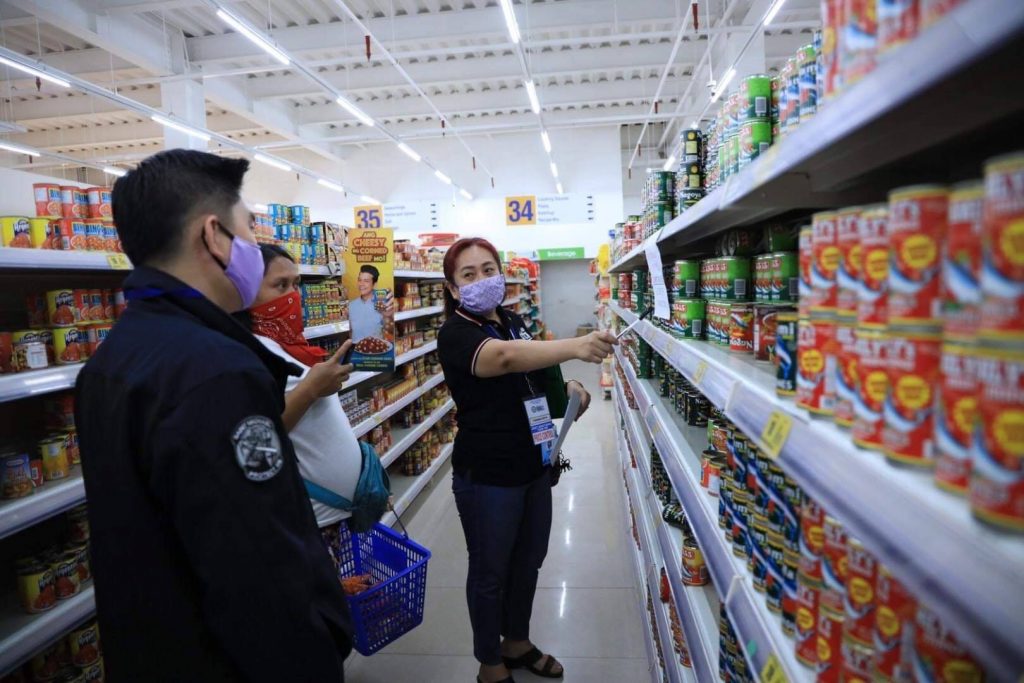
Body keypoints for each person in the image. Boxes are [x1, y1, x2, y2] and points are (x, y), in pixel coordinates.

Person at [74, 149, 353, 683]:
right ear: (213, 236)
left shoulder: (108, 361)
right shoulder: (218, 370)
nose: (253, 244)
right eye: (247, 229)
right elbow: (259, 564)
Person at [437, 237, 617, 683]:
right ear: (453, 287)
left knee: (528, 561)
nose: (482, 280)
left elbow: (534, 373)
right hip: (488, 474)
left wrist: (568, 390)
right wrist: (576, 347)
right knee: (490, 570)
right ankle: (489, 661)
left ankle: (516, 641)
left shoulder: (514, 319)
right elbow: (504, 359)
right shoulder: (456, 333)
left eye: (488, 269)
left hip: (535, 465)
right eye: (469, 274)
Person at [246, 244, 362, 563]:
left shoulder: (288, 344)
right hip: (308, 516)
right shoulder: (249, 352)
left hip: (329, 515)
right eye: (280, 285)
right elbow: (259, 437)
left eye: (295, 285)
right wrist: (311, 388)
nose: (293, 296)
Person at [347, 264, 390, 342]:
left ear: (374, 284)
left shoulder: (382, 304)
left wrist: (388, 315)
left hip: (377, 350)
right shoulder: (351, 305)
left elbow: (389, 329)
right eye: (359, 280)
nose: (361, 284)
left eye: (366, 281)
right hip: (356, 350)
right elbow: (350, 332)